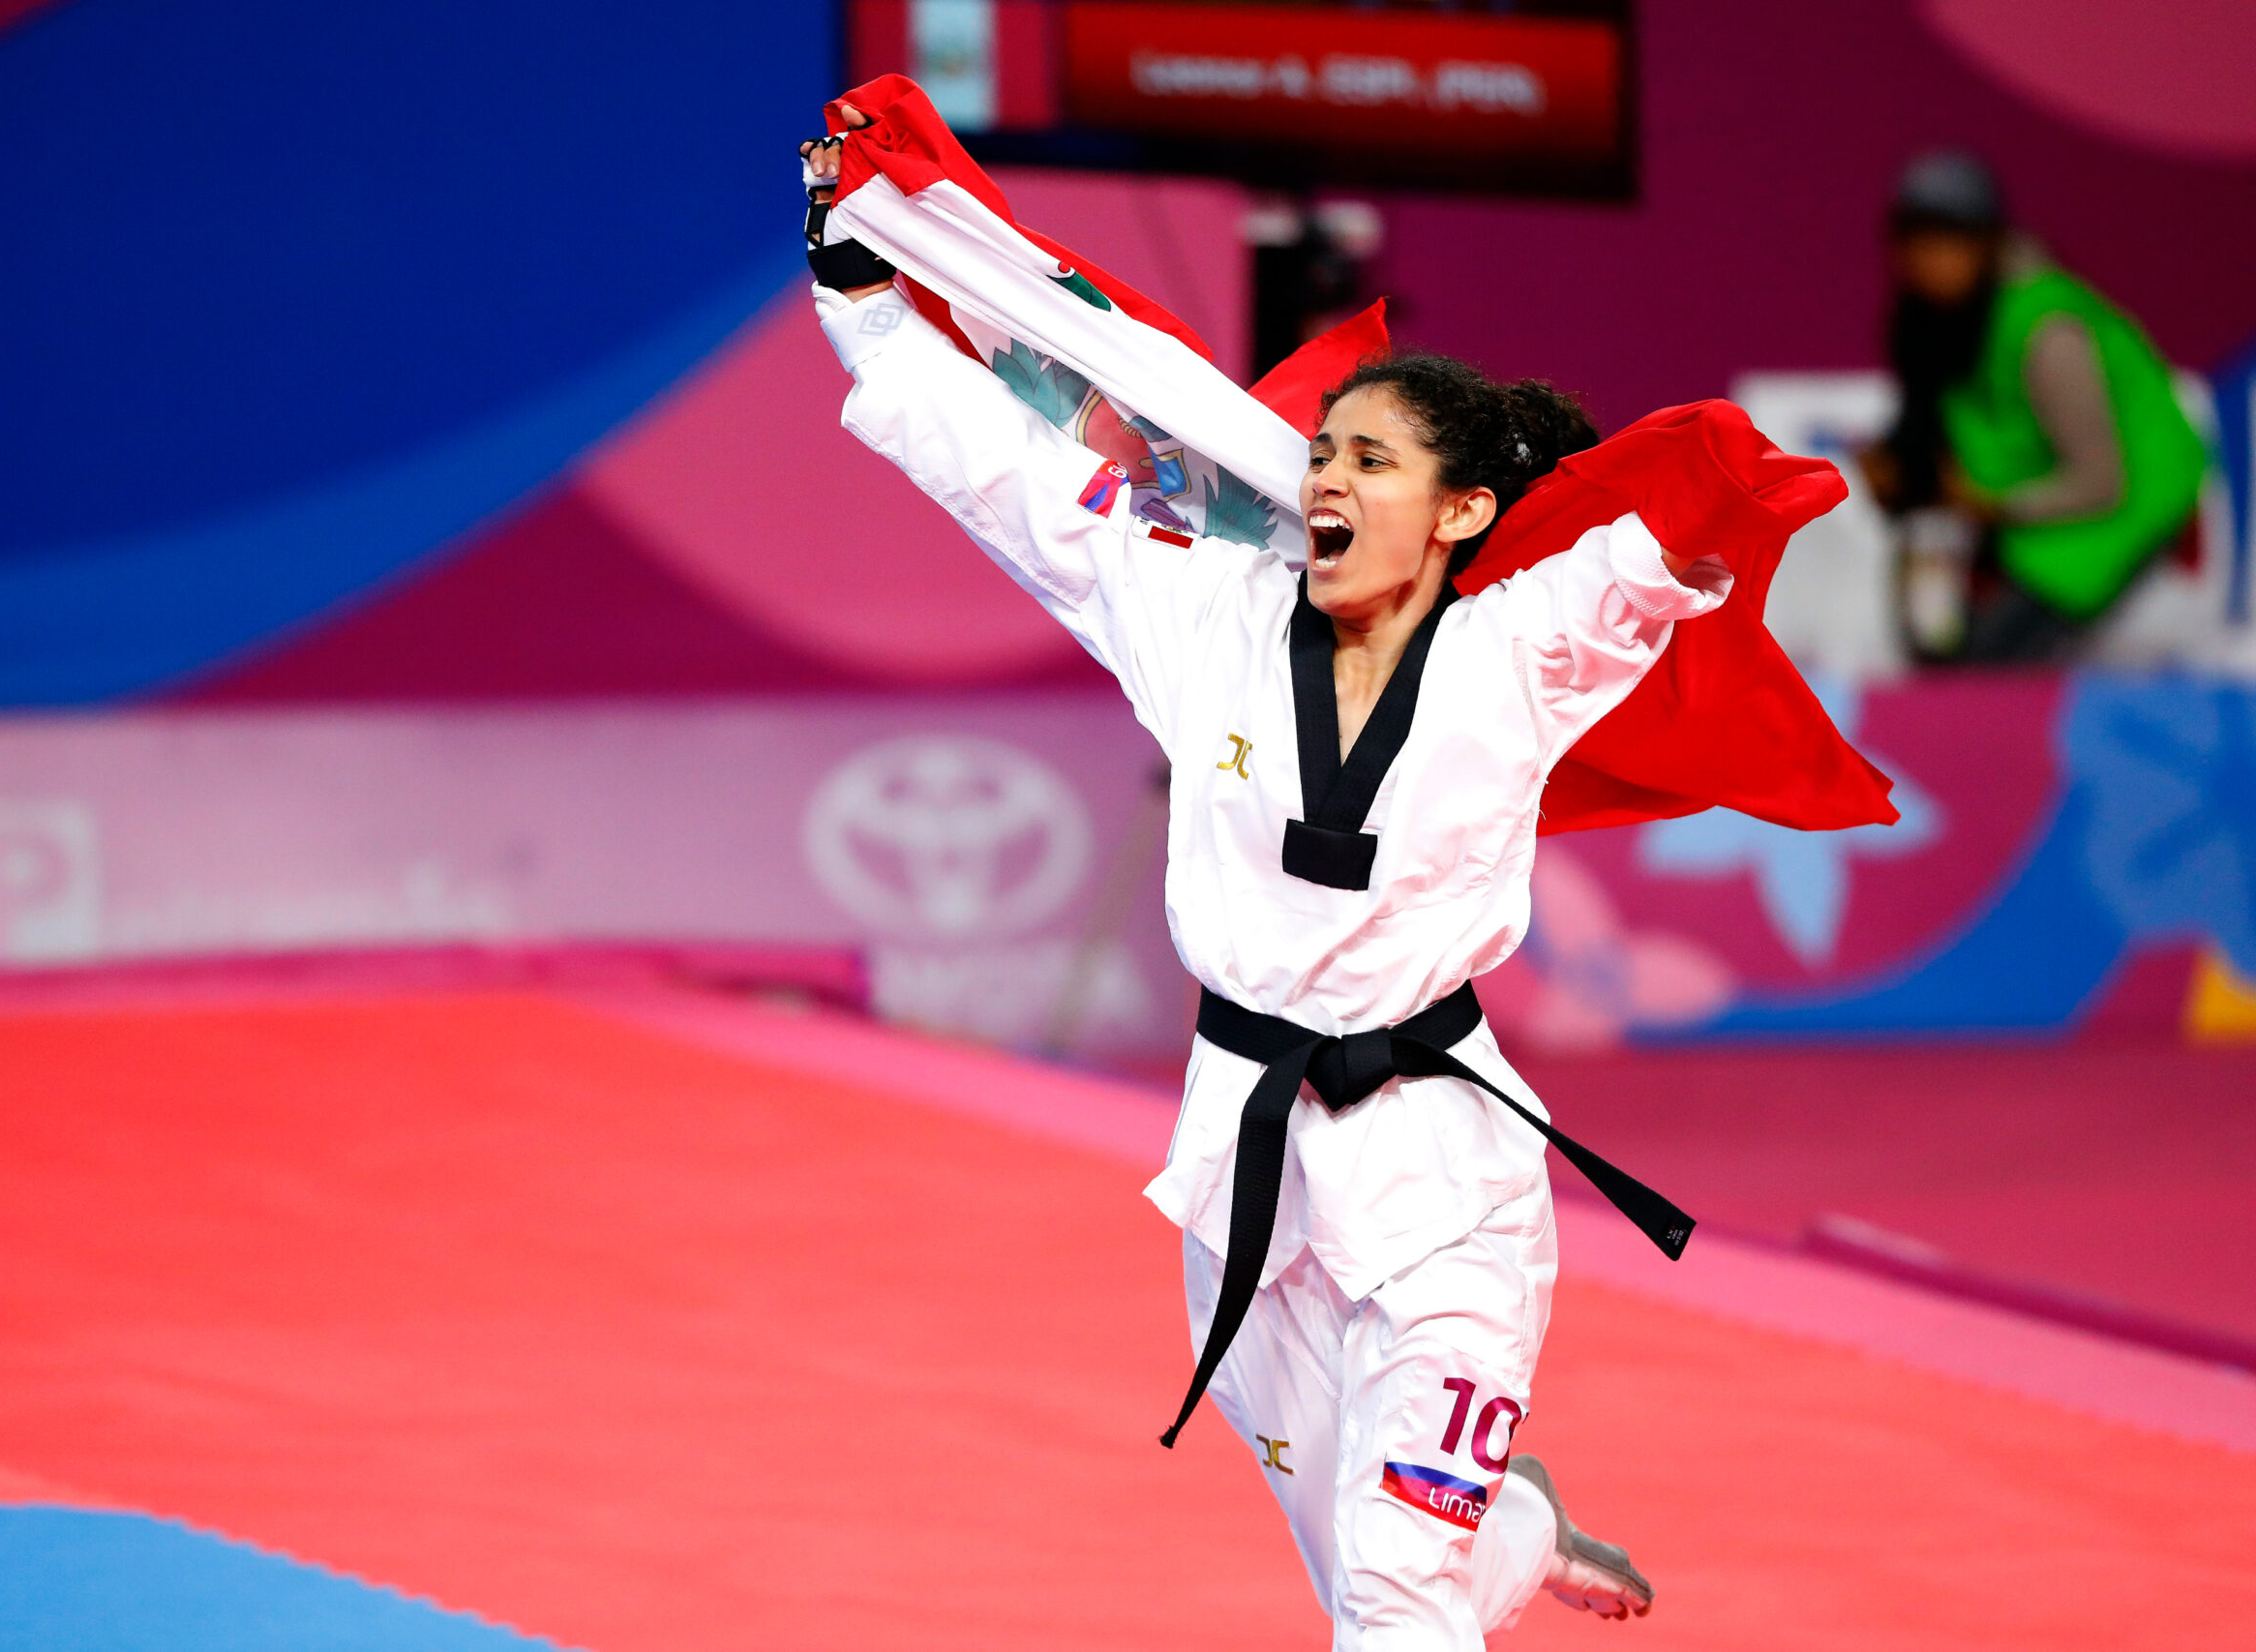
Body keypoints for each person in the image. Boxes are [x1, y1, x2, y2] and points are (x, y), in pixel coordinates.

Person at [803, 109, 1717, 1644]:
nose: (1334, 483)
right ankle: (1518, 1525)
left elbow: (1653, 557)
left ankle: (1466, 1532)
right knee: (1362, 1550)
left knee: (1387, 1586)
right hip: (1244, 1161)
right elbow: (1008, 484)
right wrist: (869, 299)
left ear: (1464, 513)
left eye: (1377, 460)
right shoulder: (1201, 611)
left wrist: (1717, 508)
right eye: (1325, 457)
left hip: (1448, 1183)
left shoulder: (1511, 652)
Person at [1863, 150, 2206, 661]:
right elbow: (1940, 424)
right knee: (1934, 642)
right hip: (2021, 513)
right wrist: (1896, 466)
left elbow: (2101, 483)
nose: (1930, 259)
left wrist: (1992, 507)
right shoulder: (1932, 321)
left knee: (1980, 667)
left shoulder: (2049, 333)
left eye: (1950, 240)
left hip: (2124, 509)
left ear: (1989, 245)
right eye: (1914, 239)